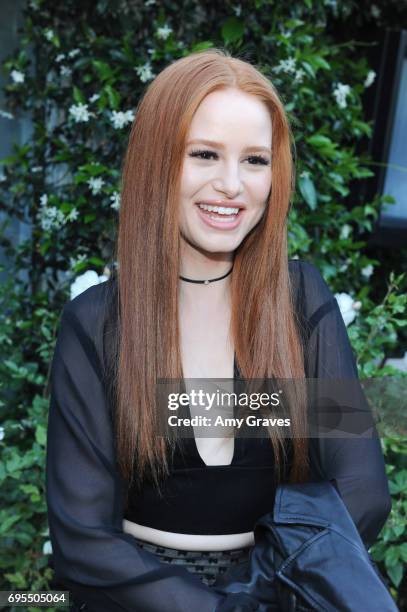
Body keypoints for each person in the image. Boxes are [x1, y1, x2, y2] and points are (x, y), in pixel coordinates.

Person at [45, 48, 391, 612]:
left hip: (285, 590)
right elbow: (83, 540)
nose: (232, 185)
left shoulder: (301, 303)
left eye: (255, 160)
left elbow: (362, 492)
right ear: (158, 162)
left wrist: (257, 596)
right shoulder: (96, 326)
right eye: (205, 154)